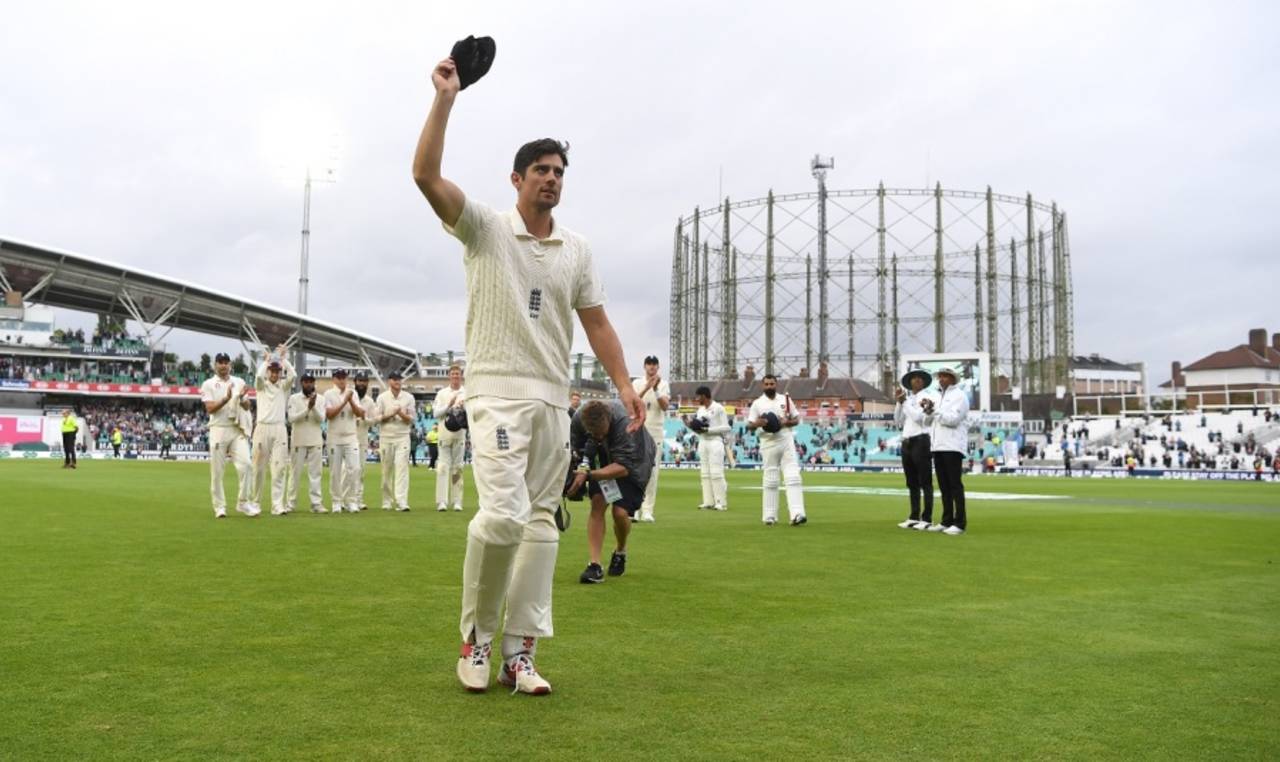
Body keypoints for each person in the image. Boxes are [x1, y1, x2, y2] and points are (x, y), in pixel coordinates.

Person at [412, 54, 644, 695]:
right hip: (497, 394)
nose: (552, 179)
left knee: (542, 524)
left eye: (559, 172)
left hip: (552, 403)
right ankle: (477, 639)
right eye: (541, 170)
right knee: (504, 517)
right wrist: (445, 100)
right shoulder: (485, 228)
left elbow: (596, 323)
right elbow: (425, 175)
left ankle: (521, 652)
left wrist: (624, 384)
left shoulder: (577, 248)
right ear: (516, 179)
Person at [567, 400, 655, 583]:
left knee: (620, 513)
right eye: (593, 434)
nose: (598, 437)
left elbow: (624, 467)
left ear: (609, 421)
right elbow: (577, 449)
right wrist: (577, 472)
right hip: (604, 459)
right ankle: (595, 565)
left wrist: (589, 475)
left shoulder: (625, 423)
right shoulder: (577, 420)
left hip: (636, 461)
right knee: (597, 504)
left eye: (601, 434)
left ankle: (620, 550)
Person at [200, 352, 257, 518]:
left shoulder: (239, 382)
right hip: (218, 428)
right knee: (217, 472)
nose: (223, 365)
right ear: (215, 365)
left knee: (246, 464)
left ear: (230, 365)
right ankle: (219, 507)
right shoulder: (208, 384)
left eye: (226, 362)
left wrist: (241, 399)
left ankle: (243, 502)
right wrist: (226, 399)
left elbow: (247, 407)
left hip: (236, 428)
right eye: (220, 362)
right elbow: (209, 408)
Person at [746, 375, 807, 526]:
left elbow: (796, 420)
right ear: (762, 386)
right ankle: (769, 516)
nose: (769, 386)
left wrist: (787, 422)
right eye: (766, 384)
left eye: (771, 383)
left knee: (793, 477)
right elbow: (749, 426)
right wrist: (757, 423)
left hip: (786, 440)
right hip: (768, 442)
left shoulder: (785, 400)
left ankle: (797, 514)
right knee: (771, 480)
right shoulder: (757, 403)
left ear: (776, 384)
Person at [921, 366, 969, 535]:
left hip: (953, 445)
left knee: (955, 485)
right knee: (943, 486)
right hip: (937, 445)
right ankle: (946, 520)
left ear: (953, 379)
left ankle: (960, 522)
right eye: (940, 376)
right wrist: (928, 410)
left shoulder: (960, 396)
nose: (941, 379)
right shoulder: (936, 397)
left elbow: (953, 420)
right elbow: (927, 423)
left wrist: (934, 411)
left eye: (945, 376)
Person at [252, 345, 294, 516]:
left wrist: (283, 359)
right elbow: (258, 376)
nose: (275, 374)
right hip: (262, 428)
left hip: (279, 429)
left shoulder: (283, 387)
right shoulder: (261, 386)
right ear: (268, 372)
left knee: (279, 468)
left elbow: (293, 375)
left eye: (277, 372)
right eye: (272, 371)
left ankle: (277, 505)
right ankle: (255, 503)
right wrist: (267, 361)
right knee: (258, 468)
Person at [893, 368, 936, 530]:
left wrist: (904, 403)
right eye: (914, 378)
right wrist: (899, 402)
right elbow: (897, 420)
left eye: (920, 378)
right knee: (911, 482)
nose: (917, 380)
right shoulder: (908, 399)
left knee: (925, 481)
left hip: (921, 439)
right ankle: (914, 516)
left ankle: (927, 517)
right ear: (909, 382)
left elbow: (920, 418)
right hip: (907, 441)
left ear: (924, 382)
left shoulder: (928, 397)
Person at [630, 355, 670, 523]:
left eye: (654, 365)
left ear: (658, 367)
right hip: (639, 429)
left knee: (652, 472)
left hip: (656, 431)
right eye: (649, 365)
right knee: (635, 470)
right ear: (645, 366)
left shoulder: (664, 384)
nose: (651, 368)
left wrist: (656, 389)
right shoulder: (637, 383)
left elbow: (665, 406)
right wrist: (647, 387)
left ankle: (647, 510)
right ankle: (634, 509)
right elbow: (632, 402)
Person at [324, 368, 364, 514]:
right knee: (335, 471)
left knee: (355, 469)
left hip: (351, 436)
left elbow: (360, 414)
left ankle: (351, 500)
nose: (342, 380)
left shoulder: (352, 393)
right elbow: (329, 415)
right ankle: (336, 501)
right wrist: (344, 401)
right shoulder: (328, 394)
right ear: (334, 379)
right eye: (339, 377)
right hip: (334, 436)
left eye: (344, 377)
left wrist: (351, 400)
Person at [685, 385, 729, 511]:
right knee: (704, 474)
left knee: (716, 473)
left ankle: (721, 502)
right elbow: (699, 429)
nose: (697, 399)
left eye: (698, 396)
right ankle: (708, 501)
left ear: (704, 396)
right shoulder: (700, 410)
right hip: (703, 441)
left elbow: (726, 428)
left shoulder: (719, 408)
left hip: (715, 441)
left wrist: (708, 430)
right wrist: (691, 426)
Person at [287, 373, 326, 513]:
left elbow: (321, 419)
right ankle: (291, 503)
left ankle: (316, 504)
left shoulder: (321, 399)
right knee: (295, 473)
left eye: (311, 382)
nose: (308, 384)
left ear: (314, 383)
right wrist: (307, 408)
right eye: (306, 382)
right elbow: (291, 419)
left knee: (315, 474)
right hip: (298, 440)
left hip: (315, 440)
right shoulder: (294, 398)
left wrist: (313, 406)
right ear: (301, 383)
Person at [377, 371, 416, 511]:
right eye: (394, 379)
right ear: (389, 381)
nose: (397, 382)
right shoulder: (382, 397)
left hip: (403, 436)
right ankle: (387, 501)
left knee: (402, 469)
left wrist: (400, 413)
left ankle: (401, 501)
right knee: (386, 470)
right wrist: (391, 414)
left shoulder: (409, 397)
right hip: (386, 436)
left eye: (399, 379)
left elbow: (412, 419)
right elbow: (378, 418)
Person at [433, 364, 467, 511]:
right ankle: (442, 502)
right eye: (453, 374)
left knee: (458, 467)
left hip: (459, 435)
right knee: (442, 467)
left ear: (461, 376)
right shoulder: (442, 393)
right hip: (444, 435)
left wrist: (463, 407)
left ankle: (457, 501)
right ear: (449, 376)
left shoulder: (467, 392)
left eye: (457, 374)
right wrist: (449, 405)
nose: (455, 376)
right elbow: (436, 414)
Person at [353, 371, 377, 510]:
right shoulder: (350, 396)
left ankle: (358, 499)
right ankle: (344, 499)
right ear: (355, 382)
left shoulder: (369, 401)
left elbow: (373, 421)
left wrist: (363, 418)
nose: (362, 384)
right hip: (346, 438)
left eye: (364, 381)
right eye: (359, 381)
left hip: (361, 439)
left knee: (360, 470)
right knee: (346, 471)